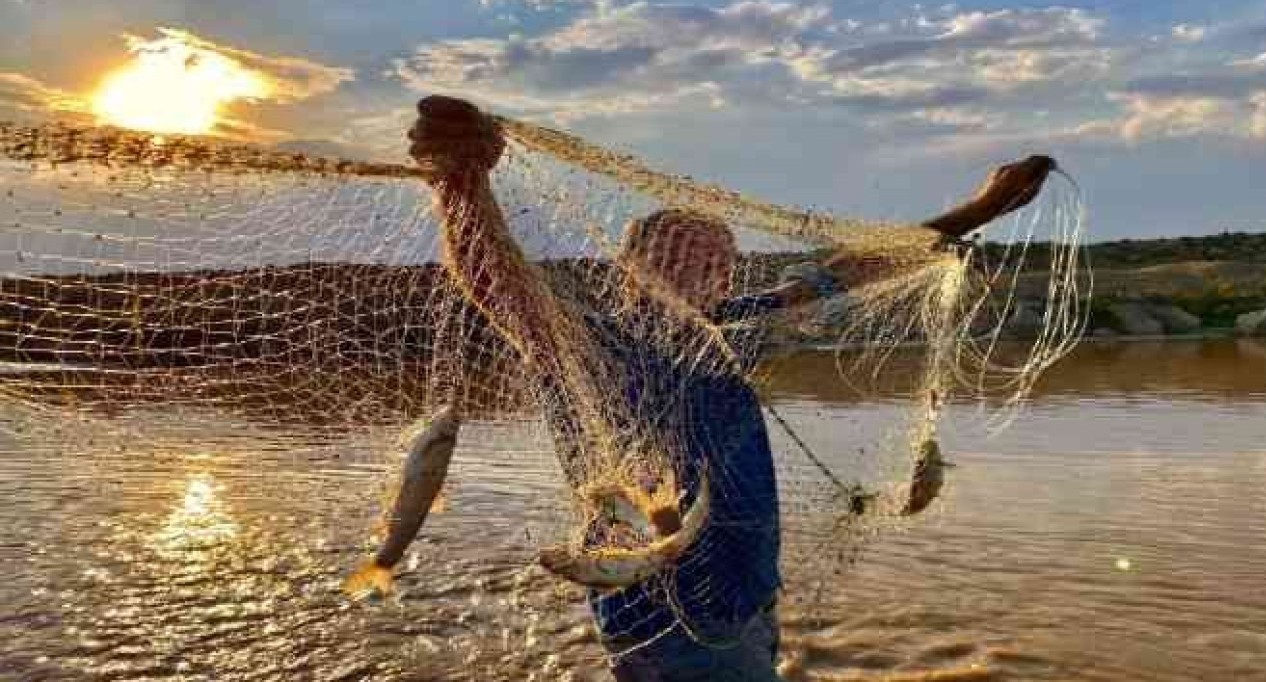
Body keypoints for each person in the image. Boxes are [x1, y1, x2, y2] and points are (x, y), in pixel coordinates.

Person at [407, 94, 1052, 681]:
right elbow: (500, 287)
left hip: (748, 597)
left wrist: (979, 210)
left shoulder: (732, 329)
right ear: (629, 270)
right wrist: (461, 186)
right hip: (664, 618)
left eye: (720, 260)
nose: (705, 270)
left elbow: (849, 270)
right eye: (679, 256)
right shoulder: (589, 346)